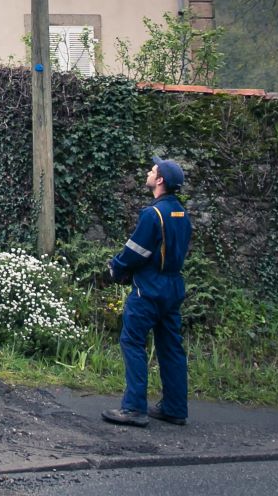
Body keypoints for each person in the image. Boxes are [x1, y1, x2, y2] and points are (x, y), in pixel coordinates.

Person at [101, 158, 191, 428]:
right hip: (173, 286)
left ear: (160, 180)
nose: (149, 173)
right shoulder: (181, 213)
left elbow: (135, 251)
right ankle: (175, 408)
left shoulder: (153, 215)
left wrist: (116, 268)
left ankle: (134, 408)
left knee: (133, 342)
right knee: (171, 347)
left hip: (149, 288)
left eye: (153, 171)